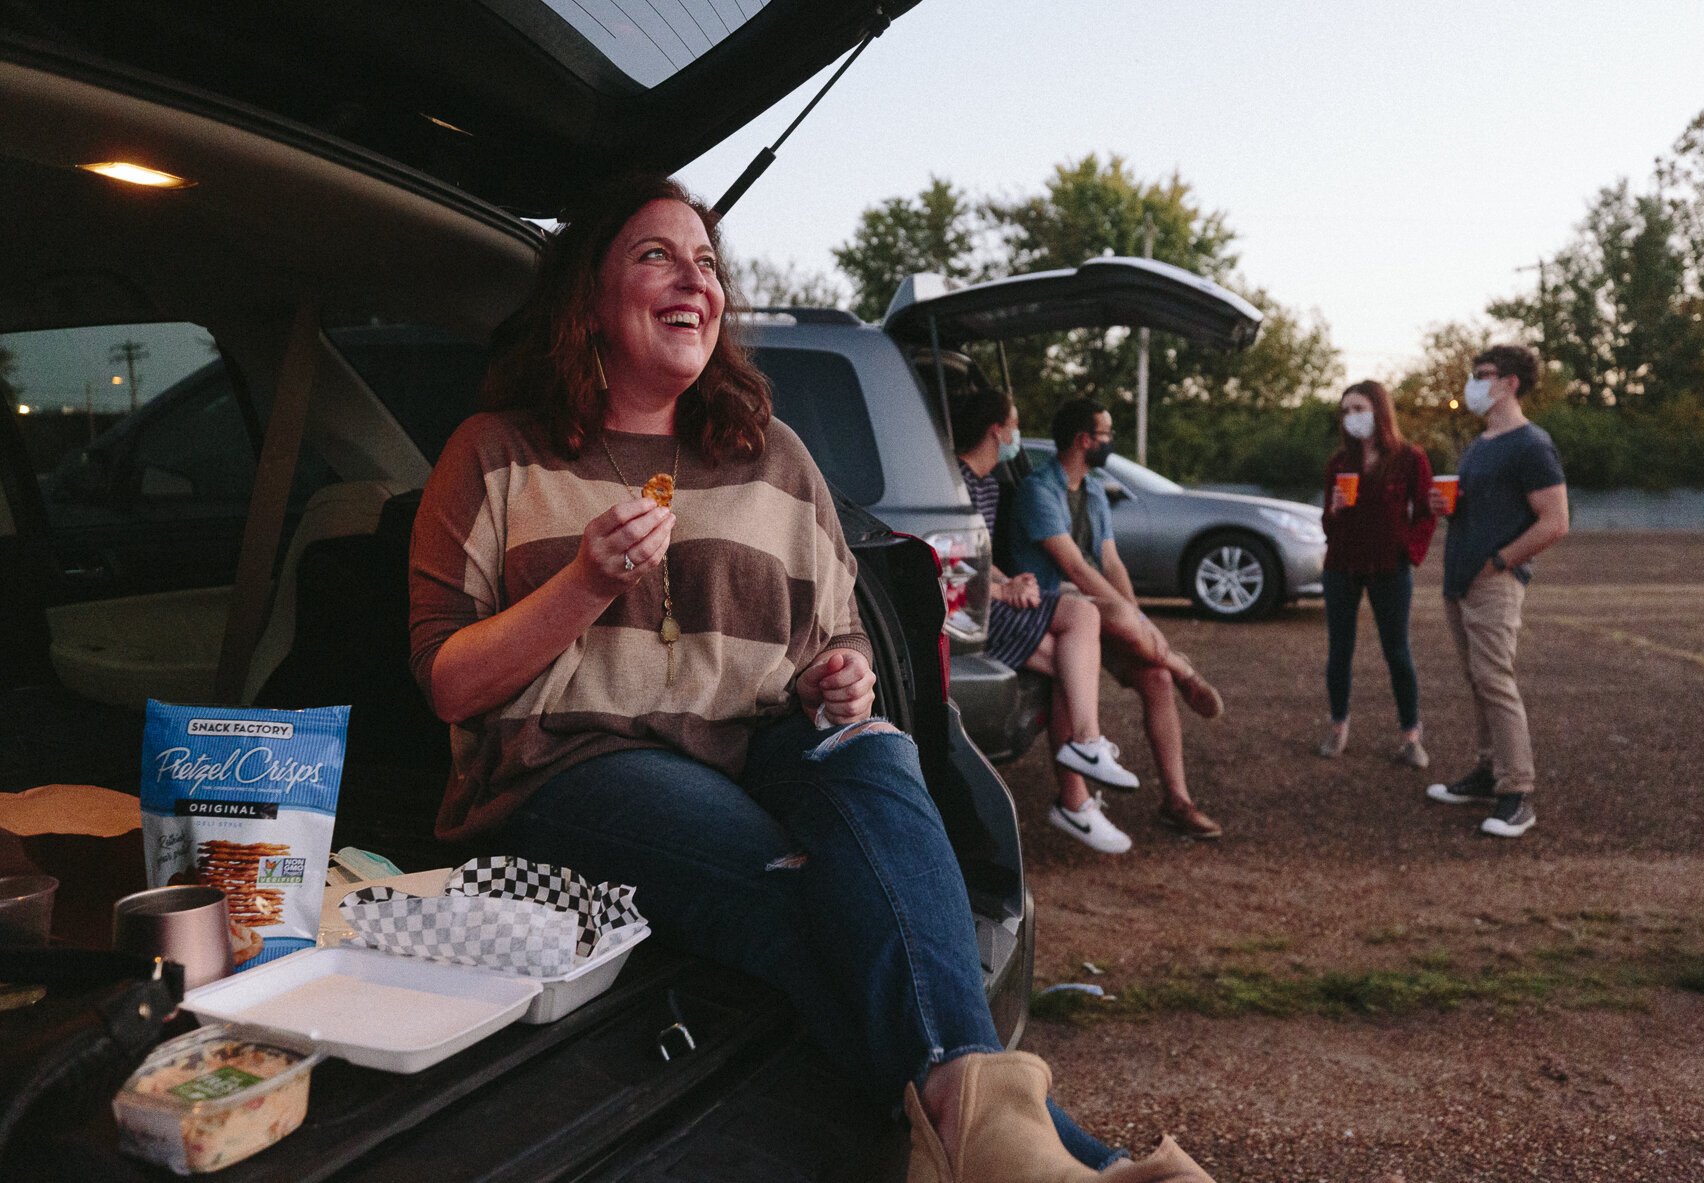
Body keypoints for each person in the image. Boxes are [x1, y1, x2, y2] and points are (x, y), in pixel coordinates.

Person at [407, 175, 1211, 1181]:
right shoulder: (495, 456)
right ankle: (1054, 1153)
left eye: (706, 261)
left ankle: (988, 1138)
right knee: (809, 890)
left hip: (760, 745)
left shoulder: (772, 456)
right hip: (574, 764)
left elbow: (839, 638)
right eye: (655, 255)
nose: (692, 278)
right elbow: (448, 683)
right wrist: (580, 584)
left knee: (875, 749)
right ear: (588, 300)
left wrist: (847, 679)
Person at [1006, 398, 1225, 840]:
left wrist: (1138, 619)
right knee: (1129, 641)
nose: (1110, 442)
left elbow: (1110, 562)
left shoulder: (1092, 490)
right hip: (1054, 605)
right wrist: (1130, 619)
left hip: (1096, 608)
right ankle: (1181, 664)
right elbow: (1076, 569)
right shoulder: (1039, 490)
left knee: (1155, 679)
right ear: (1085, 440)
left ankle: (1177, 800)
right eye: (1106, 434)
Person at [950, 380, 1138, 855]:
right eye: (1015, 426)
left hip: (989, 596)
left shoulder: (986, 485)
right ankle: (1086, 750)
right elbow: (950, 565)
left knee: (1070, 667)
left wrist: (1010, 580)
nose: (1019, 434)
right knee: (1082, 617)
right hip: (967, 610)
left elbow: (979, 554)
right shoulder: (956, 482)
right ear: (997, 431)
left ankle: (1076, 799)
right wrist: (1000, 588)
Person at [1425, 345, 1569, 838]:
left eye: (1483, 375)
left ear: (1510, 383)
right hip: (1460, 578)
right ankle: (1489, 772)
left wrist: (1502, 561)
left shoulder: (1531, 445)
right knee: (1478, 679)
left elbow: (1556, 521)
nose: (1473, 383)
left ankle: (1517, 793)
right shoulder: (1483, 442)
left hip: (1493, 581)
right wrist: (1445, 506)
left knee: (1495, 680)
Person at [1317, 380, 1436, 767]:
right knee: (1339, 650)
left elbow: (1426, 513)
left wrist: (1409, 550)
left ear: (1379, 411)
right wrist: (1334, 509)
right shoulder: (1339, 464)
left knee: (1397, 652)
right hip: (1342, 564)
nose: (1352, 418)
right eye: (1346, 411)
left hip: (1389, 565)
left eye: (1359, 409)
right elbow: (1327, 526)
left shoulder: (1409, 459)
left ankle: (1411, 736)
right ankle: (1338, 727)